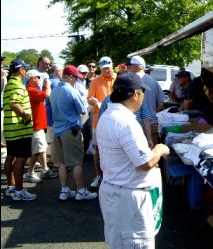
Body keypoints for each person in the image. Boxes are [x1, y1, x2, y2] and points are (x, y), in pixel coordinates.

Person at [96, 72, 170, 248]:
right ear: (135, 94)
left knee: (119, 243)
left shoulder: (107, 115)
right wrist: (159, 150)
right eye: (143, 93)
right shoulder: (125, 121)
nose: (144, 97)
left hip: (115, 189)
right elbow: (145, 163)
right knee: (134, 243)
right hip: (128, 197)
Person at [51, 65, 98, 201]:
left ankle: (64, 190)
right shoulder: (72, 91)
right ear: (70, 77)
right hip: (70, 130)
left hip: (58, 131)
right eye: (76, 77)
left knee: (62, 162)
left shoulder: (54, 91)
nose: (77, 80)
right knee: (77, 162)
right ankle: (81, 191)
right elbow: (82, 110)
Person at [3, 59, 37, 200]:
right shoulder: (17, 85)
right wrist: (26, 117)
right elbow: (14, 104)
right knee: (20, 160)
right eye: (25, 69)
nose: (26, 71)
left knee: (10, 157)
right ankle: (19, 189)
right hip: (19, 129)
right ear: (20, 69)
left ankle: (11, 186)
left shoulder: (9, 83)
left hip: (11, 128)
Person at [87, 56, 117, 189]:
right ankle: (99, 176)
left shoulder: (119, 78)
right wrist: (92, 100)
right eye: (104, 68)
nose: (107, 70)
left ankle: (114, 176)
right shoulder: (95, 81)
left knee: (116, 148)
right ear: (100, 68)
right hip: (98, 121)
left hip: (116, 120)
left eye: (108, 67)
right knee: (98, 149)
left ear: (112, 65)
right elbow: (88, 98)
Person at [24, 69, 57, 183]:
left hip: (39, 125)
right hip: (35, 126)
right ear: (32, 78)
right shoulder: (30, 90)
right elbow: (46, 95)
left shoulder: (32, 90)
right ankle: (30, 172)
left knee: (41, 148)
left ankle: (45, 169)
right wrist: (46, 85)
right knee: (37, 150)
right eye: (38, 77)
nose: (39, 79)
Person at [127, 56, 165, 146]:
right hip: (152, 125)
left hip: (133, 127)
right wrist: (150, 111)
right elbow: (161, 105)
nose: (128, 68)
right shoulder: (153, 81)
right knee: (153, 157)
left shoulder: (128, 81)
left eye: (129, 65)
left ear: (135, 66)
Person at [45, 63, 63, 171]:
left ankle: (53, 160)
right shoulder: (56, 83)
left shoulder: (50, 81)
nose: (63, 73)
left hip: (50, 114)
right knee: (55, 140)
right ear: (57, 72)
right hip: (54, 115)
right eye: (62, 70)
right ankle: (55, 162)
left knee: (53, 140)